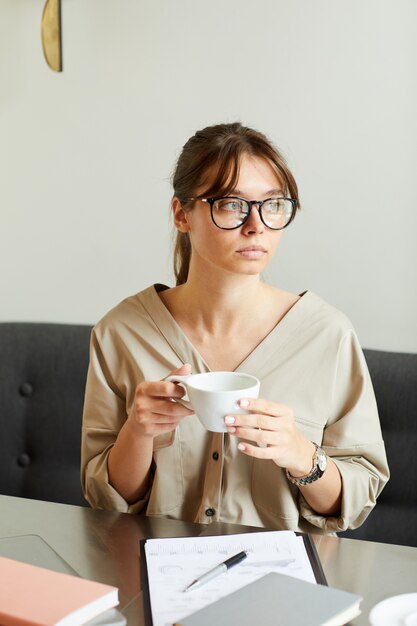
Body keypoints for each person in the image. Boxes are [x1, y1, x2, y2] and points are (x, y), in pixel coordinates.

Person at [81, 122, 389, 534]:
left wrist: (300, 454)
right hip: (155, 571)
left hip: (287, 585)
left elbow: (351, 503)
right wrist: (138, 432)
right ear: (181, 214)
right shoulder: (121, 332)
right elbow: (106, 500)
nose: (256, 225)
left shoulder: (328, 336)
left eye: (273, 204)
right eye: (231, 204)